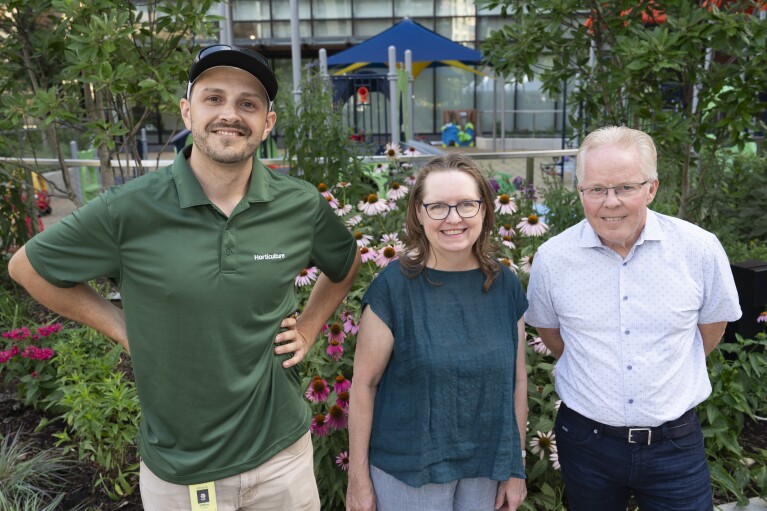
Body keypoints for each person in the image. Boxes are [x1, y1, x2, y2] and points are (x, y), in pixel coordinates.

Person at [9, 44, 361, 510]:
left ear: (267, 124)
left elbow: (345, 262)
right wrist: (123, 329)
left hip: (284, 460)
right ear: (187, 112)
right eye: (213, 99)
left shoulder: (299, 205)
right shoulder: (129, 209)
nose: (230, 115)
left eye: (248, 104)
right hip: (183, 474)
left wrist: (312, 326)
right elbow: (28, 267)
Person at [525, 126, 742, 511]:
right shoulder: (553, 259)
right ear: (581, 192)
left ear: (651, 188)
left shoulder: (700, 249)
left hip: (674, 445)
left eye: (625, 187)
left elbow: (710, 330)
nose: (610, 202)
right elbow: (553, 334)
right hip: (585, 443)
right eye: (596, 190)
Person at [346, 153, 528, 511]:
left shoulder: (505, 284)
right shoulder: (393, 288)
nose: (453, 218)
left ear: (484, 209)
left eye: (466, 205)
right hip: (408, 471)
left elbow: (517, 382)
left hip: (485, 469)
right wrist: (357, 477)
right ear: (418, 212)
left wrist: (516, 468)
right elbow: (363, 386)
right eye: (438, 207)